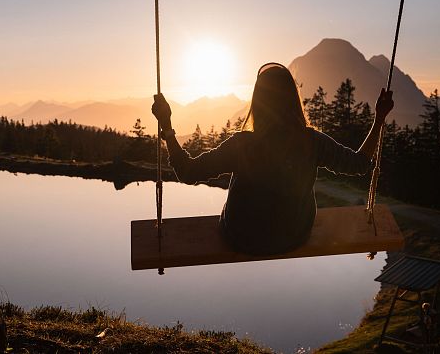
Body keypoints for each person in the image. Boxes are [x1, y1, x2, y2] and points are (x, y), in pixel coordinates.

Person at [152, 62, 393, 255]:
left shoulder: (242, 145)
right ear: (293, 100)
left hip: (241, 238)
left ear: (258, 102)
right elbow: (359, 164)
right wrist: (379, 120)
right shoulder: (311, 142)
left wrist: (168, 127)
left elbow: (188, 172)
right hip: (293, 236)